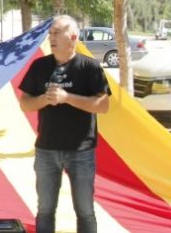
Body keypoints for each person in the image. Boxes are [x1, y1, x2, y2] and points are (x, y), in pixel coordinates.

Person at [18, 15, 110, 233]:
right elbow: (24, 104)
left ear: (73, 38)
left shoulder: (90, 67)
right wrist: (45, 99)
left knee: (85, 210)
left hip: (82, 151)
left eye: (57, 33)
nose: (52, 37)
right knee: (45, 210)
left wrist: (67, 97)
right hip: (46, 149)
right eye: (50, 33)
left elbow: (103, 105)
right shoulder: (40, 66)